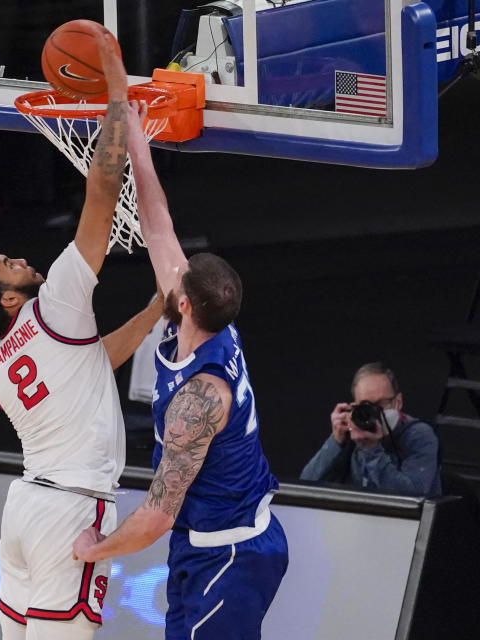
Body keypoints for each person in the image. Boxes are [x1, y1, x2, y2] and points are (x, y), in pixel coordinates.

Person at [0, 34, 162, 640]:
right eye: (5, 265)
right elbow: (101, 190)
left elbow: (90, 369)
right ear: (9, 300)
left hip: (25, 512)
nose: (17, 258)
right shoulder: (56, 303)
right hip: (70, 509)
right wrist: (117, 95)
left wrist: (152, 312)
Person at [72, 102, 288, 640]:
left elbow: (156, 515)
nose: (173, 270)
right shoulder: (211, 317)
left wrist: (95, 551)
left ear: (185, 304)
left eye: (180, 277)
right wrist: (138, 140)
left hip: (232, 550)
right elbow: (157, 222)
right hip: (201, 539)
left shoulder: (200, 401)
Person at [299, 362, 442, 497]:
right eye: (365, 406)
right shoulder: (353, 431)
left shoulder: (418, 435)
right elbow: (305, 483)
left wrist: (371, 450)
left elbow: (413, 497)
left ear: (398, 402)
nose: (373, 412)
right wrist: (335, 441)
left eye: (381, 404)